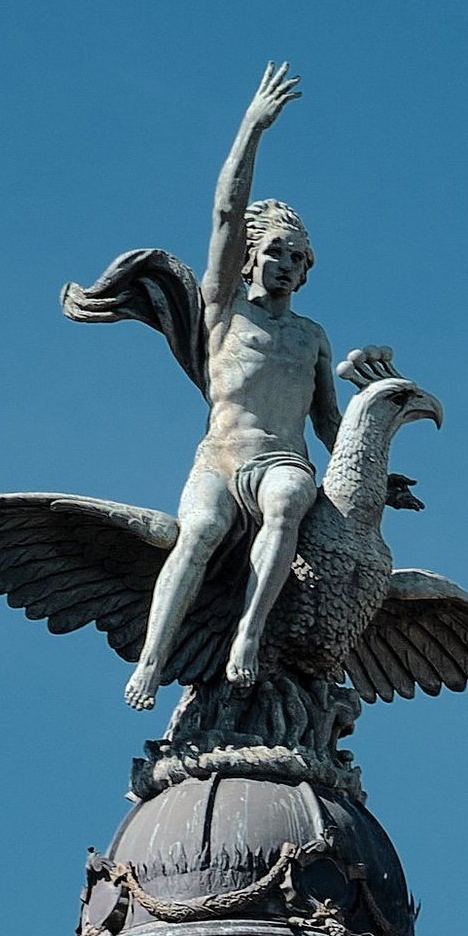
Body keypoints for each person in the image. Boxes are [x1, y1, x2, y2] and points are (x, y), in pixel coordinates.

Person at [122, 64, 349, 710]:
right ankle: (152, 658)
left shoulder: (311, 336)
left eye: (300, 260)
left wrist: (375, 470)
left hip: (281, 458)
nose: (288, 266)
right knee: (196, 534)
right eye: (278, 251)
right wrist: (253, 126)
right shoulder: (224, 309)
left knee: (289, 497)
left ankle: (248, 635)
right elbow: (226, 209)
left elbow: (329, 424)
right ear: (254, 255)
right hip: (221, 458)